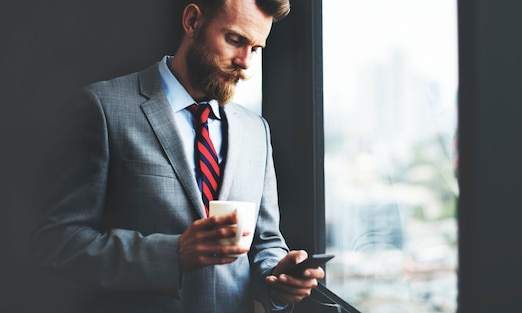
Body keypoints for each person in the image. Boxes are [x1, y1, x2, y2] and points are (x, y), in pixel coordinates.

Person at [30, 0, 324, 312]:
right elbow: (58, 242)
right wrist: (172, 254)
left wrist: (278, 279)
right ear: (193, 21)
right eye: (235, 40)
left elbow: (266, 242)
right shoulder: (102, 108)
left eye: (256, 49)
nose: (245, 64)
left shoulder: (257, 132)